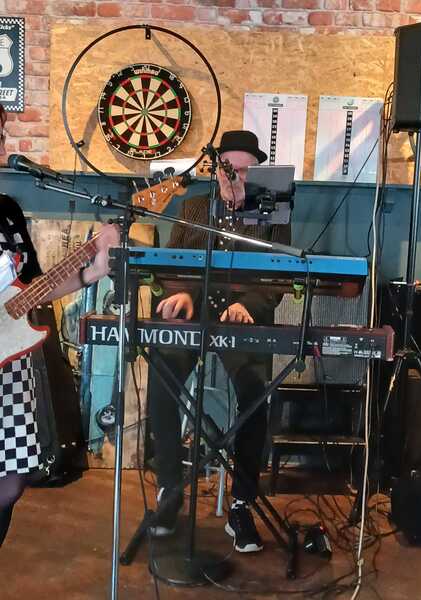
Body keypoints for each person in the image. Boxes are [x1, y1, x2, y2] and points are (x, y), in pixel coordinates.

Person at [148, 130, 291, 552]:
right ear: (215, 170)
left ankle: (242, 503)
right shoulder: (193, 207)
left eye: (246, 171)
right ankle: (170, 489)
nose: (237, 178)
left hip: (245, 317)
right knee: (160, 375)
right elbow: (174, 264)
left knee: (254, 393)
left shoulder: (272, 210)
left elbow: (278, 274)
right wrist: (181, 294)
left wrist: (249, 304)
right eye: (230, 170)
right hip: (195, 313)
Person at [0, 103, 119, 547]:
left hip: (11, 364)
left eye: (0, 134)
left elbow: (32, 289)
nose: (1, 144)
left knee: (11, 483)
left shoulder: (7, 211)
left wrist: (93, 268)